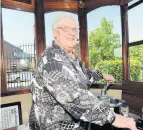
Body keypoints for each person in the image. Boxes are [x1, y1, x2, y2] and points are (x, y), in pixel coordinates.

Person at [29, 15, 137, 130]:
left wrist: (102, 75)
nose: (72, 33)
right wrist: (115, 118)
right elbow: (75, 99)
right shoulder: (51, 60)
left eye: (75, 29)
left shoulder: (70, 58)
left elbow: (84, 74)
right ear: (55, 33)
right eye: (66, 28)